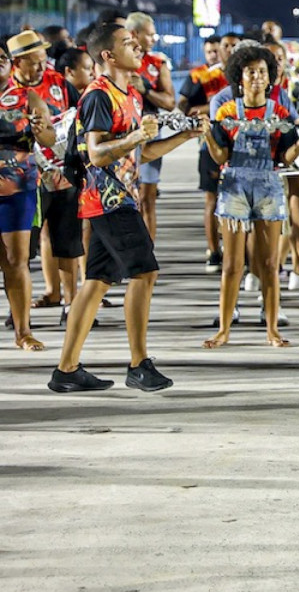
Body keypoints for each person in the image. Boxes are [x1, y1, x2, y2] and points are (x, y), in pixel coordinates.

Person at [48, 23, 209, 393]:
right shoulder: (98, 95)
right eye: (127, 43)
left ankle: (66, 370)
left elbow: (141, 153)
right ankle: (138, 365)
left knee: (96, 282)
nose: (137, 47)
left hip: (120, 198)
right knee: (145, 272)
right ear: (107, 55)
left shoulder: (131, 95)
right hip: (108, 200)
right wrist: (136, 135)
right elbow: (96, 154)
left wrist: (184, 136)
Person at [202, 45, 299, 349]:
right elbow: (221, 157)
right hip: (234, 187)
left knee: (269, 264)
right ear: (239, 76)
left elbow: (285, 157)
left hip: (269, 186)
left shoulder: (279, 113)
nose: (256, 77)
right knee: (232, 265)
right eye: (250, 71)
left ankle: (272, 330)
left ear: (270, 78)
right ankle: (224, 329)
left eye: (262, 72)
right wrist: (207, 135)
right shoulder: (227, 112)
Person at [8, 31, 83, 320]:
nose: (42, 67)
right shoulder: (7, 92)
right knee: (21, 251)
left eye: (43, 60)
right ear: (17, 62)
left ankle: (71, 306)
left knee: (68, 243)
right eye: (35, 62)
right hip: (23, 181)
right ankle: (20, 311)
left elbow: (79, 118)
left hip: (63, 176)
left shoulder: (59, 84)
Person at [0, 41, 57, 351]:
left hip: (17, 189)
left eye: (2, 58)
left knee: (16, 261)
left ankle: (23, 332)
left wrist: (39, 129)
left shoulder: (27, 97)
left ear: (11, 64)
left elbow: (49, 138)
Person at [181, 33, 236, 273]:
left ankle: (239, 252)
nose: (229, 50)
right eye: (225, 46)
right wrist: (208, 107)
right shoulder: (201, 75)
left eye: (234, 46)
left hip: (242, 145)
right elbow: (184, 106)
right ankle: (214, 252)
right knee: (212, 198)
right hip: (211, 142)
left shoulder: (248, 74)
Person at [126, 13, 176, 240]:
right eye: (149, 34)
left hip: (150, 134)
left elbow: (170, 102)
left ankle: (148, 253)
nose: (154, 39)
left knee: (147, 199)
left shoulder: (158, 64)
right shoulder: (117, 61)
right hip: (121, 135)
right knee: (123, 199)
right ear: (134, 34)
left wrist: (146, 90)